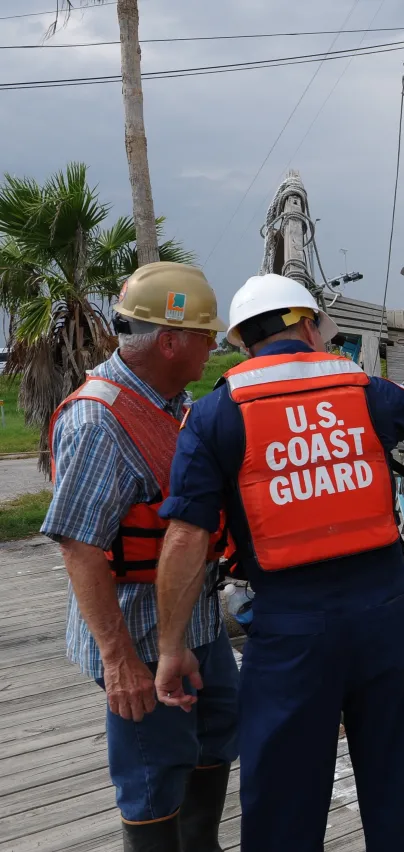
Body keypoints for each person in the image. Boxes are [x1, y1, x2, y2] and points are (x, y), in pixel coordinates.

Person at [152, 274, 404, 852]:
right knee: (398, 786)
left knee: (282, 801)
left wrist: (171, 648)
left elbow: (186, 538)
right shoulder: (361, 388)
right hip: (385, 618)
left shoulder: (215, 413)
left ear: (244, 340)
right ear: (307, 325)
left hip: (290, 632)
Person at [41, 262, 238, 852]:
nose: (213, 347)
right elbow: (79, 546)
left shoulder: (175, 405)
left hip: (198, 624)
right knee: (153, 775)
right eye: (206, 336)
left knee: (216, 736)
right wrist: (120, 662)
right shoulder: (100, 419)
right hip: (140, 639)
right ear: (170, 341)